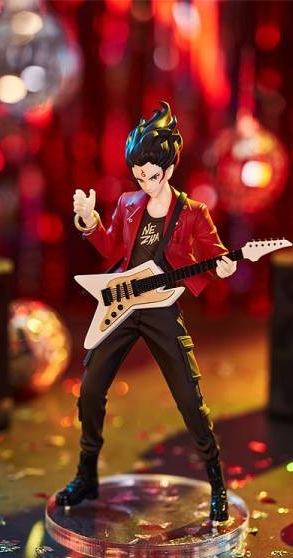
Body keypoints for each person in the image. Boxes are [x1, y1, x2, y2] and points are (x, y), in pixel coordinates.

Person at [56, 101, 237, 523]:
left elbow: (215, 255)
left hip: (161, 309)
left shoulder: (193, 213)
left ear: (170, 169)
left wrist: (224, 266)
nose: (145, 183)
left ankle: (217, 484)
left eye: (152, 175)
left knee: (189, 398)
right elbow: (111, 248)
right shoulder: (128, 203)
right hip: (121, 306)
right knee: (90, 391)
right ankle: (86, 475)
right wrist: (89, 220)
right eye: (138, 175)